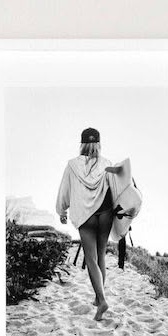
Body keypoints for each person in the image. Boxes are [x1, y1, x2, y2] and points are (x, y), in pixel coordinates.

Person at [56, 127, 121, 321]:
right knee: (100, 255)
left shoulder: (72, 165)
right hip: (105, 213)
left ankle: (102, 301)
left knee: (91, 258)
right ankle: (98, 297)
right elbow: (117, 186)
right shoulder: (107, 164)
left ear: (82, 144)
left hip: (86, 215)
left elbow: (64, 190)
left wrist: (62, 211)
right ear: (98, 144)